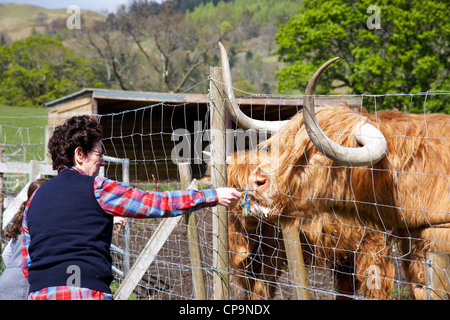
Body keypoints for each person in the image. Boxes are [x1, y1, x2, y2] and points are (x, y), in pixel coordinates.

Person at [22, 115, 241, 300]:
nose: (103, 162)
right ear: (79, 154)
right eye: (99, 154)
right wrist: (211, 195)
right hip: (85, 291)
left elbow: (26, 262)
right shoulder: (97, 188)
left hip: (38, 293)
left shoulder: (34, 199)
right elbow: (155, 203)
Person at [0, 178, 49, 300]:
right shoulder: (44, 222)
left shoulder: (23, 220)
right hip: (23, 284)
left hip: (6, 280)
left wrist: (14, 268)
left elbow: (6, 255)